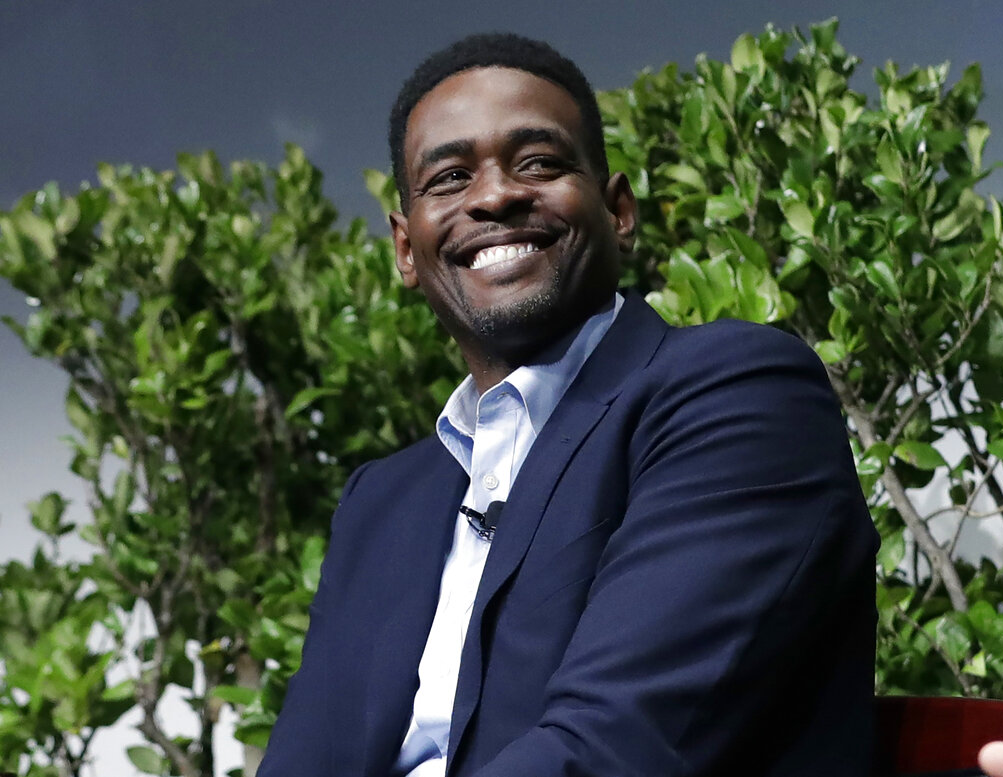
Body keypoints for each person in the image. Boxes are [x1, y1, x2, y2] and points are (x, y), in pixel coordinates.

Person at [257, 33, 879, 777]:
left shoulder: (735, 396)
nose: (494, 196)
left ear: (617, 210)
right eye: (450, 177)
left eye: (540, 163)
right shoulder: (381, 502)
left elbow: (614, 748)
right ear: (404, 249)